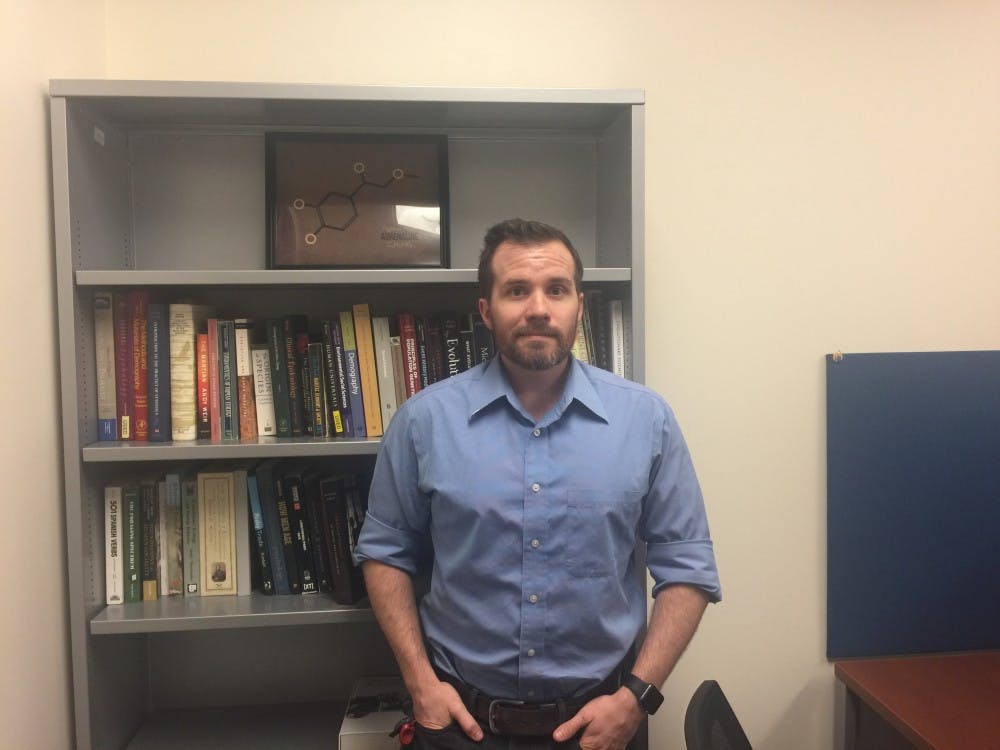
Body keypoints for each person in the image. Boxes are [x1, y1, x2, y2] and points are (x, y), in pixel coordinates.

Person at [355, 218, 721, 750]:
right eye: (516, 291)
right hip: (458, 726)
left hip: (601, 727)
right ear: (486, 310)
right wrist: (420, 684)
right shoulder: (423, 422)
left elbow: (688, 566)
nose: (538, 309)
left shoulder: (646, 420)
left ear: (579, 304)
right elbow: (385, 553)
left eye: (557, 290)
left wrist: (638, 697)